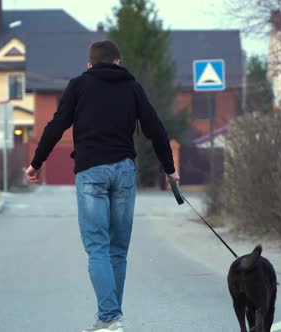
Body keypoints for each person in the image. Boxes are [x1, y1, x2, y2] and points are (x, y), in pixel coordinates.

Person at [25, 40, 180, 332]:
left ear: (89, 65)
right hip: (123, 170)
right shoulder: (131, 86)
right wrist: (170, 169)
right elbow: (155, 128)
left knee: (97, 247)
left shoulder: (79, 85)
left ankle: (109, 317)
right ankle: (111, 318)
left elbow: (57, 125)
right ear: (118, 63)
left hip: (91, 170)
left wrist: (36, 162)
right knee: (117, 250)